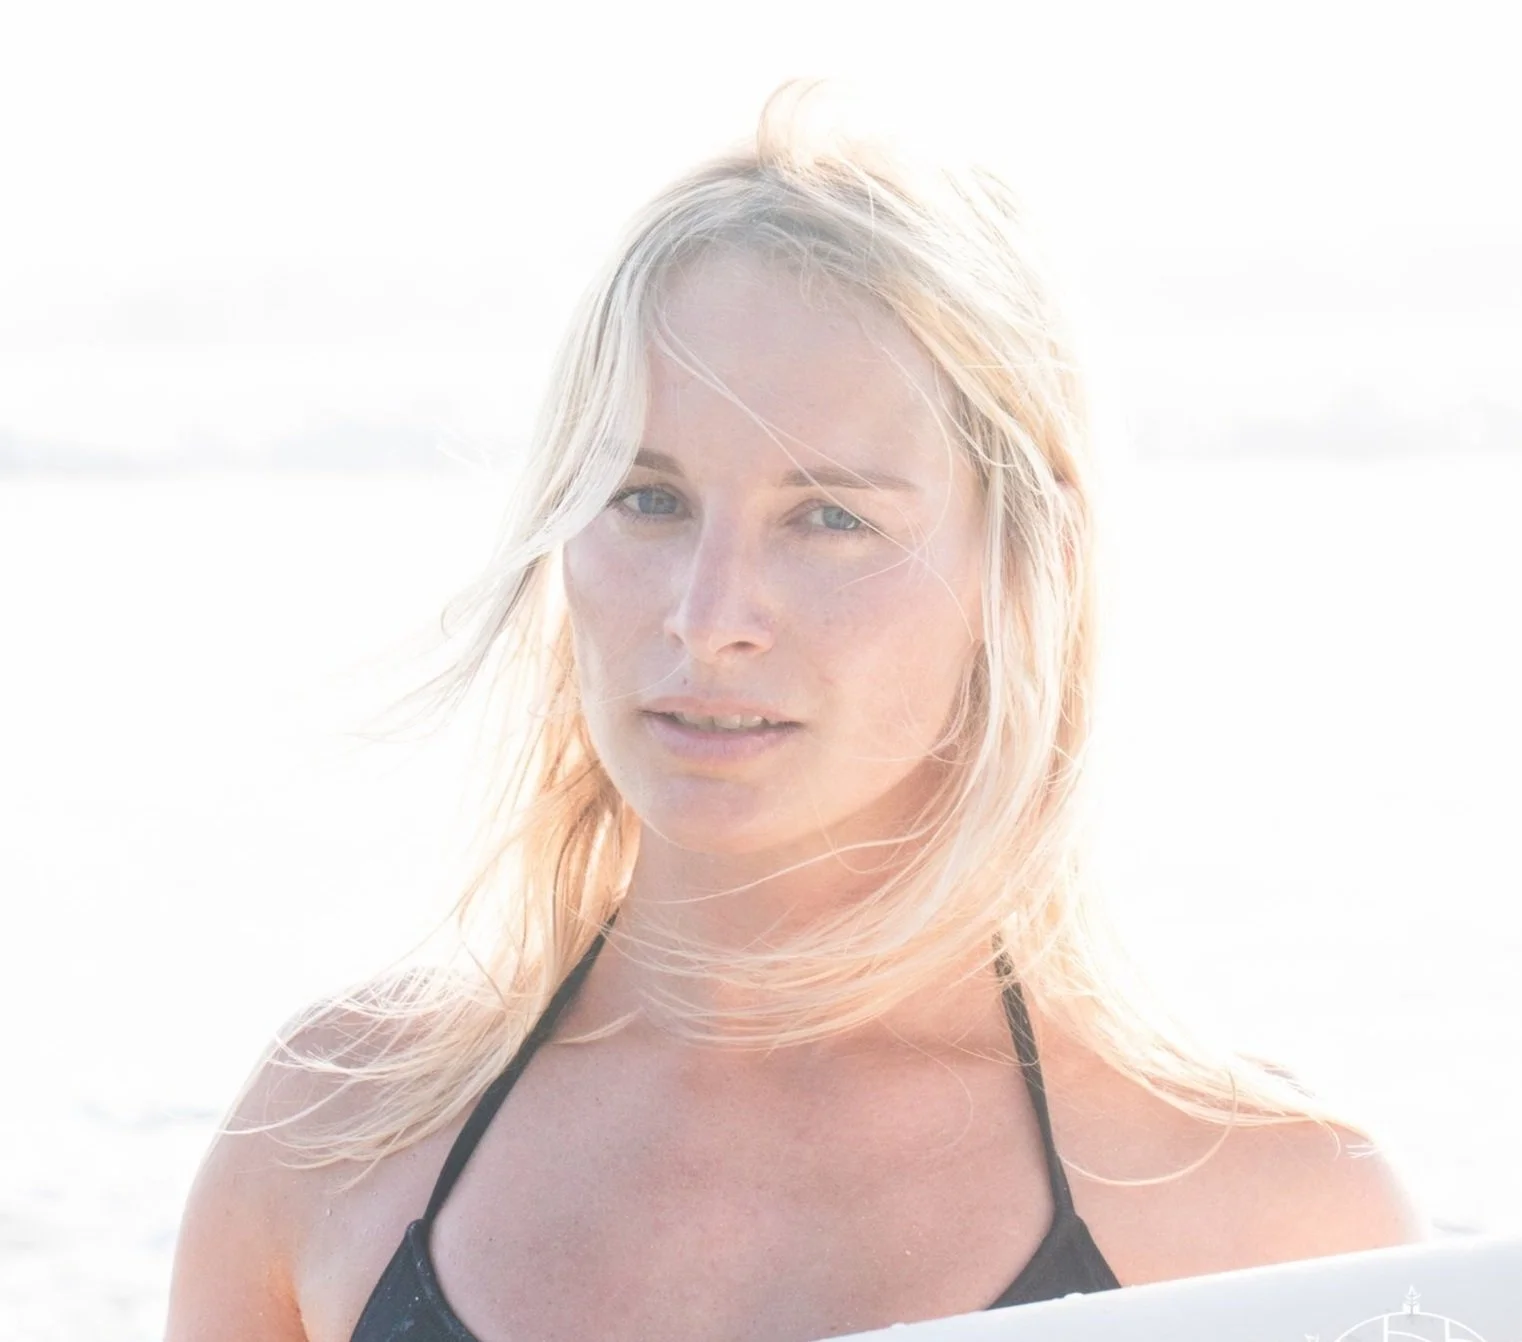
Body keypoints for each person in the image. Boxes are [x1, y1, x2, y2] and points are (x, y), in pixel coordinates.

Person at [167, 83, 1425, 1342]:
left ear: (1022, 553)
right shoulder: (336, 1133)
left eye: (830, 517)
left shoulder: (1265, 1218)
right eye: (647, 499)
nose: (709, 616)